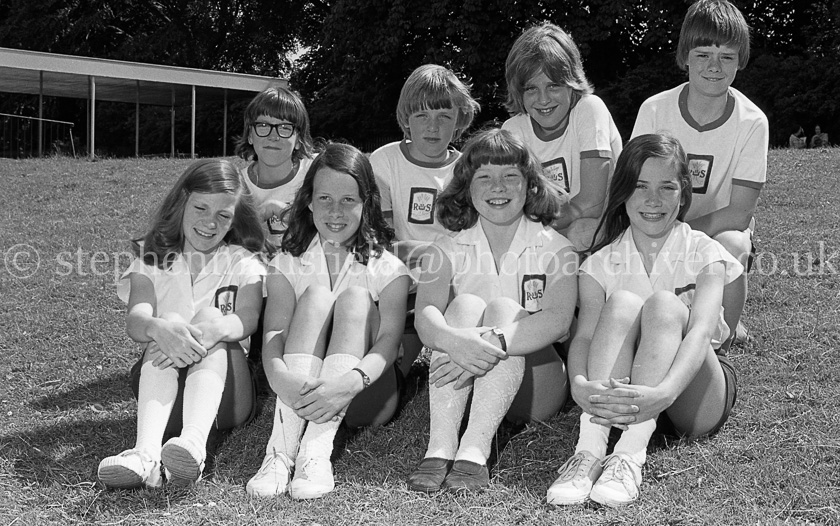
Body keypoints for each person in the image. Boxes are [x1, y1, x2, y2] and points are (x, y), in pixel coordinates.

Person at [545, 134, 742, 507]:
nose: (653, 200)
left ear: (684, 194)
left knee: (665, 305)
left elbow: (701, 332)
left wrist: (664, 394)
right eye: (640, 186)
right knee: (620, 303)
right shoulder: (600, 263)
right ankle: (589, 451)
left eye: (667, 187)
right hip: (623, 398)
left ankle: (630, 456)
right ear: (622, 193)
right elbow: (584, 336)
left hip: (691, 393)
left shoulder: (704, 251)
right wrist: (579, 384)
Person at [406, 128, 578, 493]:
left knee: (502, 308)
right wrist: (455, 340)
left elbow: (558, 319)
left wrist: (485, 342)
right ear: (466, 187)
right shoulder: (445, 247)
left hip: (536, 383)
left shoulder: (557, 248)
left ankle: (475, 450)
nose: (497, 187)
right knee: (466, 305)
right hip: (467, 385)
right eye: (484, 177)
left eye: (510, 177)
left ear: (531, 186)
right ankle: (440, 445)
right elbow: (425, 316)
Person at [246, 143, 411, 500]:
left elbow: (388, 342)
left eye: (349, 200)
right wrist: (279, 378)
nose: (336, 211)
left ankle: (315, 453)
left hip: (365, 394)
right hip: (297, 391)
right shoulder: (287, 263)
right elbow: (274, 333)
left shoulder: (389, 268)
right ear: (307, 201)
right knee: (318, 294)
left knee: (353, 297)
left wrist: (348, 384)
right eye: (324, 199)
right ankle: (279, 453)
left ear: (367, 202)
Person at [97, 159, 266, 489]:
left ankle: (193, 446)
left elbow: (248, 318)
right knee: (168, 322)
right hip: (160, 393)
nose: (210, 222)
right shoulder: (152, 257)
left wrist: (210, 330)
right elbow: (136, 320)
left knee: (210, 317)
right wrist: (161, 329)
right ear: (181, 203)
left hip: (225, 399)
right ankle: (144, 454)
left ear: (235, 220)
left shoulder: (243, 261)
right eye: (201, 207)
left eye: (223, 214)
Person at [630, 0, 768, 352]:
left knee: (734, 244)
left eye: (727, 57)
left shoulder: (753, 122)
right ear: (685, 56)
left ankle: (721, 333)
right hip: (655, 220)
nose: (714, 67)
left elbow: (739, 213)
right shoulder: (655, 109)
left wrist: (681, 235)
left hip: (714, 229)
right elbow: (633, 187)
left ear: (741, 60)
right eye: (704, 54)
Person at [370, 64, 480, 375]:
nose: (433, 127)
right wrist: (426, 254)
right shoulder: (383, 162)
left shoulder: (468, 169)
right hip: (402, 278)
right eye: (422, 116)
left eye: (444, 116)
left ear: (459, 118)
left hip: (454, 280)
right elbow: (382, 241)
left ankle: (457, 349)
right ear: (406, 118)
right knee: (391, 374)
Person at [502, 22, 622, 251]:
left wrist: (535, 227)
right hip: (552, 227)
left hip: (605, 226)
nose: (543, 99)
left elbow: (592, 204)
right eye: (531, 89)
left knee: (580, 233)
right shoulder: (513, 130)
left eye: (553, 86)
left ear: (571, 83)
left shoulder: (589, 109)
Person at [235, 86, 317, 250]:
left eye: (285, 127)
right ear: (250, 135)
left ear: (299, 139)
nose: (273, 136)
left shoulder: (316, 173)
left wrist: (283, 212)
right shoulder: (237, 185)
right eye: (263, 125)